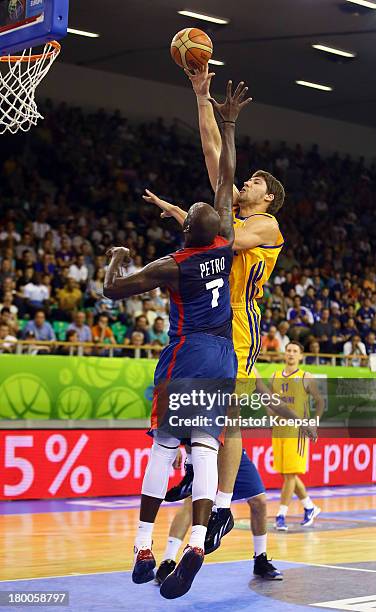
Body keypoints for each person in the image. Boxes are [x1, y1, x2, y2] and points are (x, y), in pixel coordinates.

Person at [103, 81, 250, 599]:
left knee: (164, 451)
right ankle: (194, 545)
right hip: (223, 357)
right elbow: (227, 178)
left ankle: (143, 548)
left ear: (186, 230)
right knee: (206, 451)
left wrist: (117, 256)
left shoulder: (173, 264)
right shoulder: (226, 244)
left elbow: (113, 290)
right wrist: (228, 123)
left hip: (185, 354)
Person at [145, 64, 286, 553]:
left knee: (230, 420)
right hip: (209, 326)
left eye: (252, 183)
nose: (242, 184)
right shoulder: (232, 214)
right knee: (196, 420)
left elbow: (225, 243)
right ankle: (201, 488)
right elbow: (212, 151)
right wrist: (201, 95)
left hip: (240, 328)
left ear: (268, 197)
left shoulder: (266, 225)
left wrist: (190, 219)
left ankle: (223, 505)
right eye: (242, 181)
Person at [156, 447, 283, 585]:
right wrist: (176, 445)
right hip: (206, 448)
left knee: (259, 501)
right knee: (191, 503)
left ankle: (260, 559)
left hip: (230, 451)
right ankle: (168, 561)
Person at [270, 341, 324, 531]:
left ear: (300, 356)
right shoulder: (275, 376)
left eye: (295, 351)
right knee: (286, 474)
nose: (291, 354)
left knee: (291, 475)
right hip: (279, 430)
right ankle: (310, 507)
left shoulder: (305, 376)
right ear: (284, 354)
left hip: (297, 431)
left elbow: (319, 401)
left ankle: (281, 515)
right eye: (288, 350)